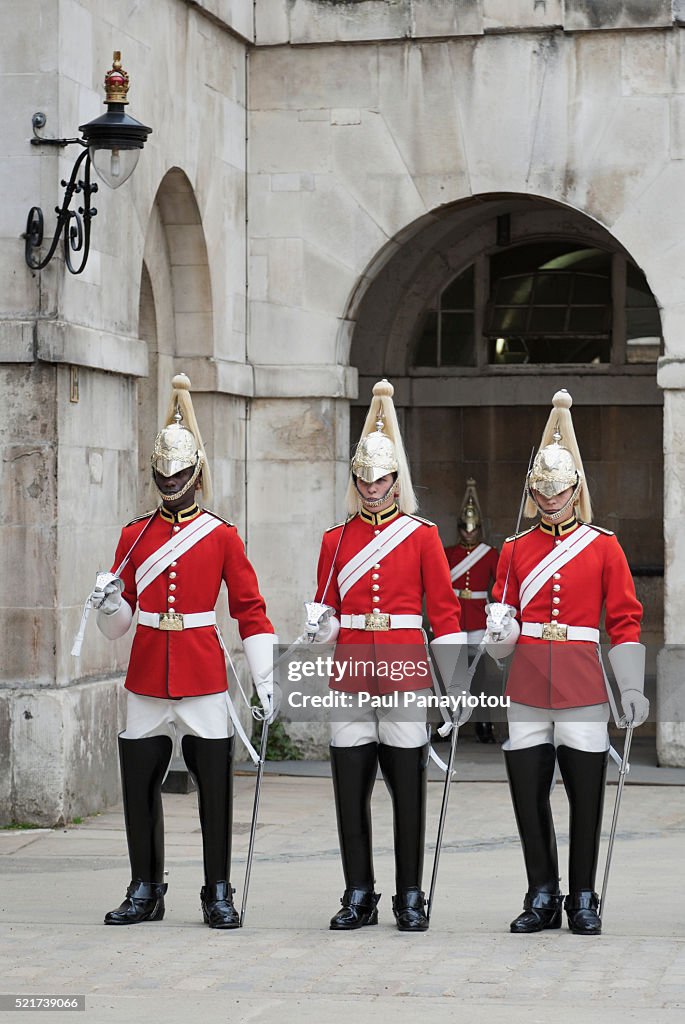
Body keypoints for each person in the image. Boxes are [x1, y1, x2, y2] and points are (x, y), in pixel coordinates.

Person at [88, 374, 277, 929]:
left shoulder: (221, 535)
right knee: (139, 787)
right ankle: (145, 888)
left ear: (196, 474)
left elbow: (249, 608)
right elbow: (121, 626)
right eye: (162, 474)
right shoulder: (134, 535)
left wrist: (264, 678)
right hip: (147, 670)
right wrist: (106, 603)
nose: (169, 482)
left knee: (213, 789)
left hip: (201, 670)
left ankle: (217, 890)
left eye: (178, 474)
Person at [485, 389, 648, 936]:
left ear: (575, 490)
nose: (550, 498)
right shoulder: (513, 548)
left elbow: (624, 619)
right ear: (533, 491)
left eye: (559, 489)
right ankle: (541, 893)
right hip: (528, 679)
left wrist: (630, 686)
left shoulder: (603, 546)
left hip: (581, 680)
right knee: (528, 797)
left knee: (584, 799)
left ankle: (582, 896)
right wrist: (499, 632)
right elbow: (502, 622)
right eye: (542, 489)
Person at [308, 379, 467, 932]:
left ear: (396, 481)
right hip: (351, 670)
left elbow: (444, 614)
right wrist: (320, 624)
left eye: (380, 480)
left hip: (403, 669)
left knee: (408, 790)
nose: (371, 488)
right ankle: (358, 891)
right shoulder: (335, 540)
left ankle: (409, 894)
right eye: (364, 480)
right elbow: (327, 612)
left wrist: (453, 687)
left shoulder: (422, 536)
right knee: (350, 790)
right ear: (355, 481)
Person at [444, 478, 500, 742]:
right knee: (450, 672)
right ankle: (447, 722)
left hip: (478, 619)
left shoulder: (489, 555)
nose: (469, 533)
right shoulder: (448, 553)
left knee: (478, 675)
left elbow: (500, 587)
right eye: (465, 529)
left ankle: (483, 724)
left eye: (473, 528)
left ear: (479, 529)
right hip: (454, 618)